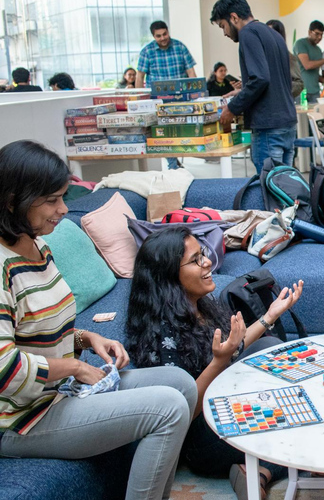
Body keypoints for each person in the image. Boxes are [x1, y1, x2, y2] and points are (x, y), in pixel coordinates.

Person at [0, 140, 197, 500]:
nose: (62, 210)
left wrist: (87, 338)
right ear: (14, 201)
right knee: (167, 409)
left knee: (180, 383)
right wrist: (75, 368)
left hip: (55, 394)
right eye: (51, 200)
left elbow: (36, 328)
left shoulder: (37, 246)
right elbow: (5, 370)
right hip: (20, 419)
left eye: (63, 197)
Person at [126, 226, 303, 498]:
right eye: (196, 260)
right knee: (299, 417)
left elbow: (234, 348)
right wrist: (219, 362)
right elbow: (178, 412)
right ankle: (262, 473)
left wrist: (270, 315)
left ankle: (257, 470)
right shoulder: (163, 334)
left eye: (203, 254)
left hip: (228, 406)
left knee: (270, 347)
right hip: (202, 439)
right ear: (170, 275)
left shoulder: (199, 304)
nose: (208, 262)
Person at [211, 0, 297, 172]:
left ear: (233, 17)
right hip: (287, 123)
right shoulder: (274, 34)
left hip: (268, 127)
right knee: (285, 189)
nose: (225, 33)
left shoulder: (248, 34)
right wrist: (243, 90)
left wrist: (232, 108)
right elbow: (279, 79)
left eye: (223, 26)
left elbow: (260, 78)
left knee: (270, 190)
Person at [136, 20, 197, 170]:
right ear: (153, 36)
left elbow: (191, 72)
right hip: (158, 101)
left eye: (165, 34)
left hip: (180, 98)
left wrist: (196, 93)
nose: (163, 38)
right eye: (159, 36)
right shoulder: (147, 51)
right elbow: (139, 76)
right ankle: (172, 165)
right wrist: (138, 99)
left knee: (180, 131)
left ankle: (174, 161)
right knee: (165, 133)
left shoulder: (180, 47)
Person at [293, 20, 324, 103]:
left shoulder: (318, 50)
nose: (319, 37)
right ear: (309, 32)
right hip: (301, 91)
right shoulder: (300, 44)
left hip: (315, 92)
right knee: (301, 116)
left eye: (321, 34)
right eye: (317, 34)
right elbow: (307, 65)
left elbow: (314, 74)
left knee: (316, 115)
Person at [265, 19, 305, 99]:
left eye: (271, 32)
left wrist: (279, 90)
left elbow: (299, 84)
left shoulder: (288, 57)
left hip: (281, 104)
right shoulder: (262, 54)